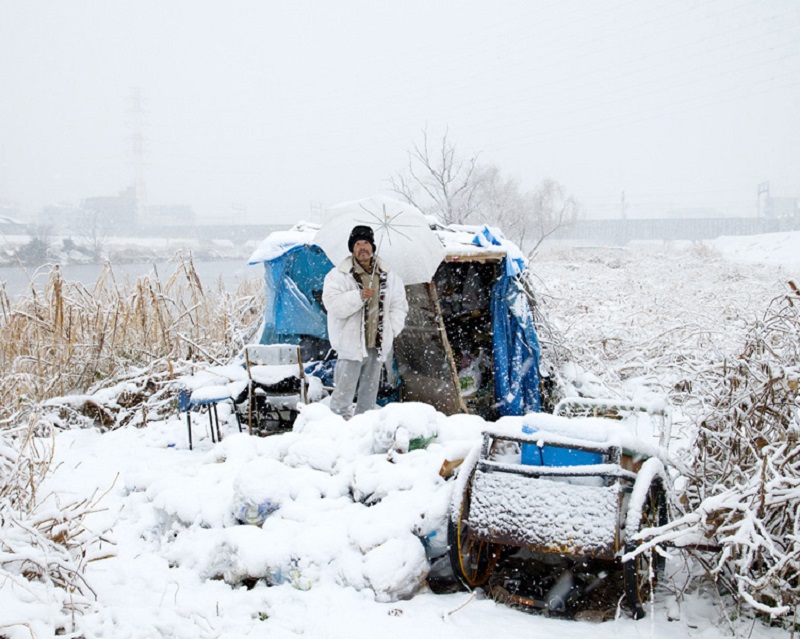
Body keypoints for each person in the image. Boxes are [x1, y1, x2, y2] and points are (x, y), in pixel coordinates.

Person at [322, 225, 409, 417]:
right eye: (358, 244)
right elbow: (333, 304)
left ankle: (363, 430)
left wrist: (391, 330)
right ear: (352, 248)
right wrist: (359, 296)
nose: (362, 248)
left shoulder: (389, 276)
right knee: (342, 397)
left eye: (366, 243)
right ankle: (337, 432)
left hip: (376, 345)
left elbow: (398, 306)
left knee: (369, 397)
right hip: (349, 345)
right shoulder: (338, 275)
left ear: (373, 247)